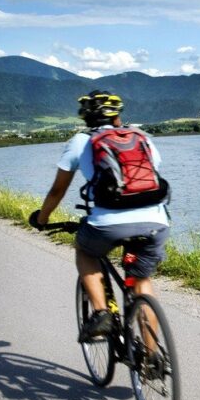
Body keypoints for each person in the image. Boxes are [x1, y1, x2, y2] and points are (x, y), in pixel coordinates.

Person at [29, 91, 170, 340]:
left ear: (86, 118)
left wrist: (42, 219)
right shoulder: (140, 137)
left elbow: (57, 190)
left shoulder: (80, 141)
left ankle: (101, 313)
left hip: (107, 224)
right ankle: (152, 357)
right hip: (155, 222)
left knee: (85, 251)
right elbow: (152, 175)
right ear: (117, 116)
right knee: (141, 281)